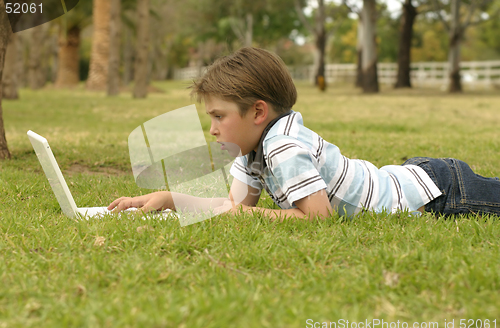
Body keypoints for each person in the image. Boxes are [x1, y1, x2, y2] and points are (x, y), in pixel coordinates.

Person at [108, 47, 500, 220]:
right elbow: (236, 207)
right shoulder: (251, 149)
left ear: (257, 112)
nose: (211, 129)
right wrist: (171, 198)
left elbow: (318, 218)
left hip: (440, 192)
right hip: (413, 176)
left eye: (218, 116)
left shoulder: (282, 145)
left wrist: (248, 217)